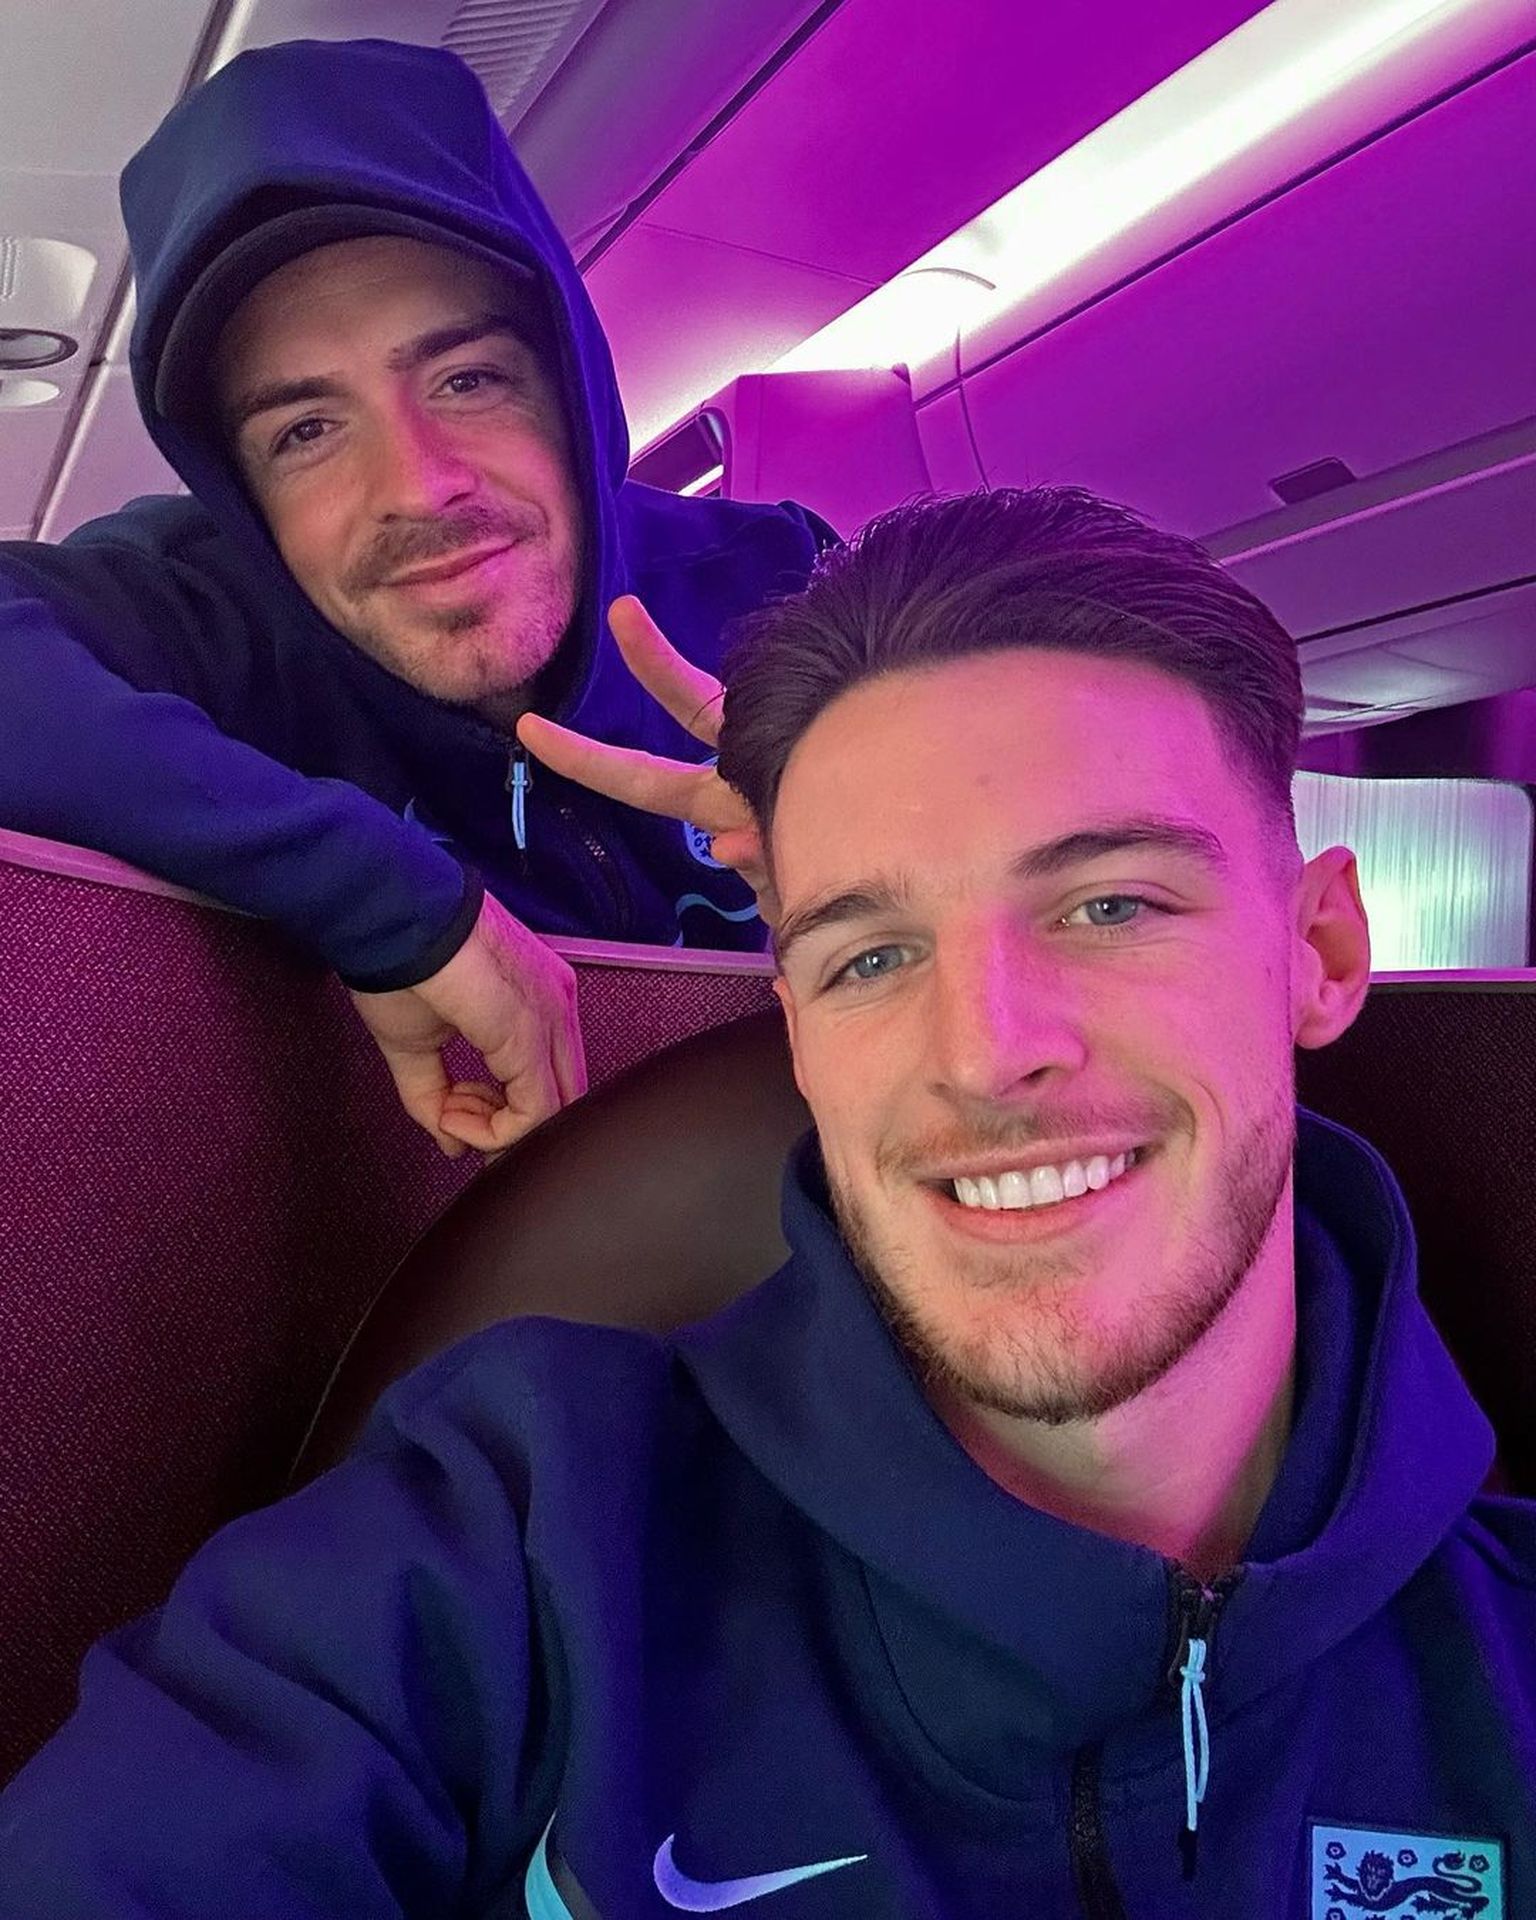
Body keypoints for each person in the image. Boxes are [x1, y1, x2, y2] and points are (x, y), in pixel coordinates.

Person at [3, 488, 1531, 1916]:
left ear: (1320, 952)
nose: (986, 1052)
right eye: (871, 954)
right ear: (796, 1027)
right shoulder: (510, 1538)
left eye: (1108, 903)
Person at [0, 38, 831, 1155]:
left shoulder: (783, 580)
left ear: (571, 386)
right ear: (237, 490)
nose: (418, 485)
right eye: (306, 430)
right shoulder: (207, 620)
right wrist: (371, 891)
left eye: (467, 379)